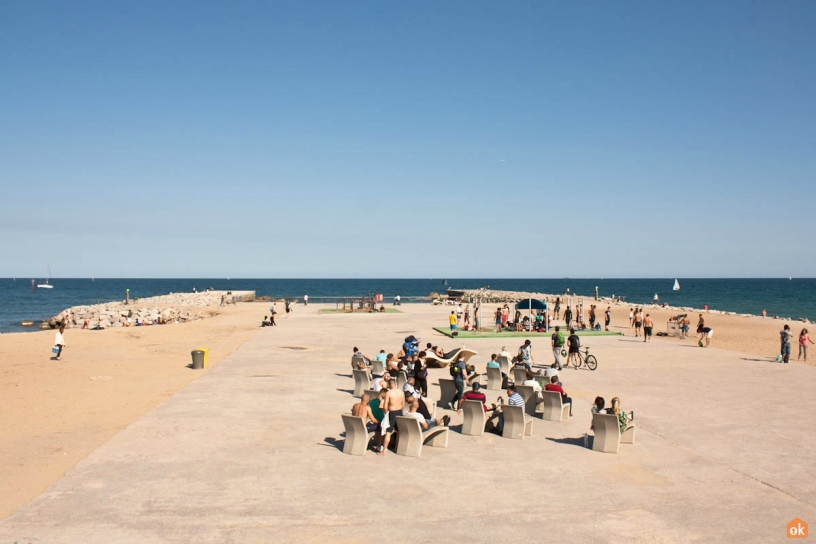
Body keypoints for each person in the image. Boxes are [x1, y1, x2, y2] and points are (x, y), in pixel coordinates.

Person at [379, 379, 405, 455]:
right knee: (398, 431)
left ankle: (384, 450)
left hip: (392, 412)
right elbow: (403, 405)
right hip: (399, 411)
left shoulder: (388, 393)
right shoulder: (401, 392)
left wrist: (386, 413)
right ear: (395, 384)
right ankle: (396, 447)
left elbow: (385, 406)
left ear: (389, 385)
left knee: (388, 431)